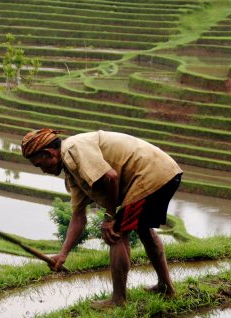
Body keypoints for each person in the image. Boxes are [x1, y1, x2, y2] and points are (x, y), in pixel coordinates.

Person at [21, 129, 183, 308]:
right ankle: (166, 287)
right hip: (162, 171)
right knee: (144, 230)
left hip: (149, 174)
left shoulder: (74, 149)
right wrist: (62, 254)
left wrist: (110, 217)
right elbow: (78, 216)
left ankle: (118, 301)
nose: (42, 170)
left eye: (39, 164)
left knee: (116, 233)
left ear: (48, 153)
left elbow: (111, 177)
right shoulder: (71, 169)